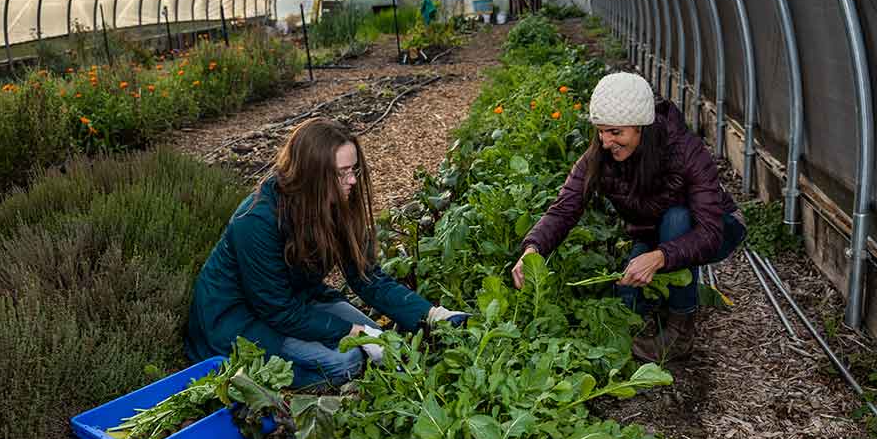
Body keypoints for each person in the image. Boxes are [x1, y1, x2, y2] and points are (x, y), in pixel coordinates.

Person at [186, 118, 467, 389]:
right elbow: (276, 309)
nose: (352, 181)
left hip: (297, 302)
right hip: (240, 319)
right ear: (311, 174)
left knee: (380, 340)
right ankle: (256, 379)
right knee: (346, 360)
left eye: (353, 169)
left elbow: (367, 277)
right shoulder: (257, 221)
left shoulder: (333, 201)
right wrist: (353, 333)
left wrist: (432, 315)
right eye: (341, 172)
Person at [512, 72, 746, 363]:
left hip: (718, 227)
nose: (606, 141)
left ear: (641, 128)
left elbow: (709, 234)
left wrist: (659, 257)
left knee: (676, 219)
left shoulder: (685, 151)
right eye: (600, 131)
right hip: (653, 232)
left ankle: (681, 331)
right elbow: (565, 207)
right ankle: (668, 291)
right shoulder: (600, 155)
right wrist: (533, 250)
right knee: (627, 302)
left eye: (615, 132)